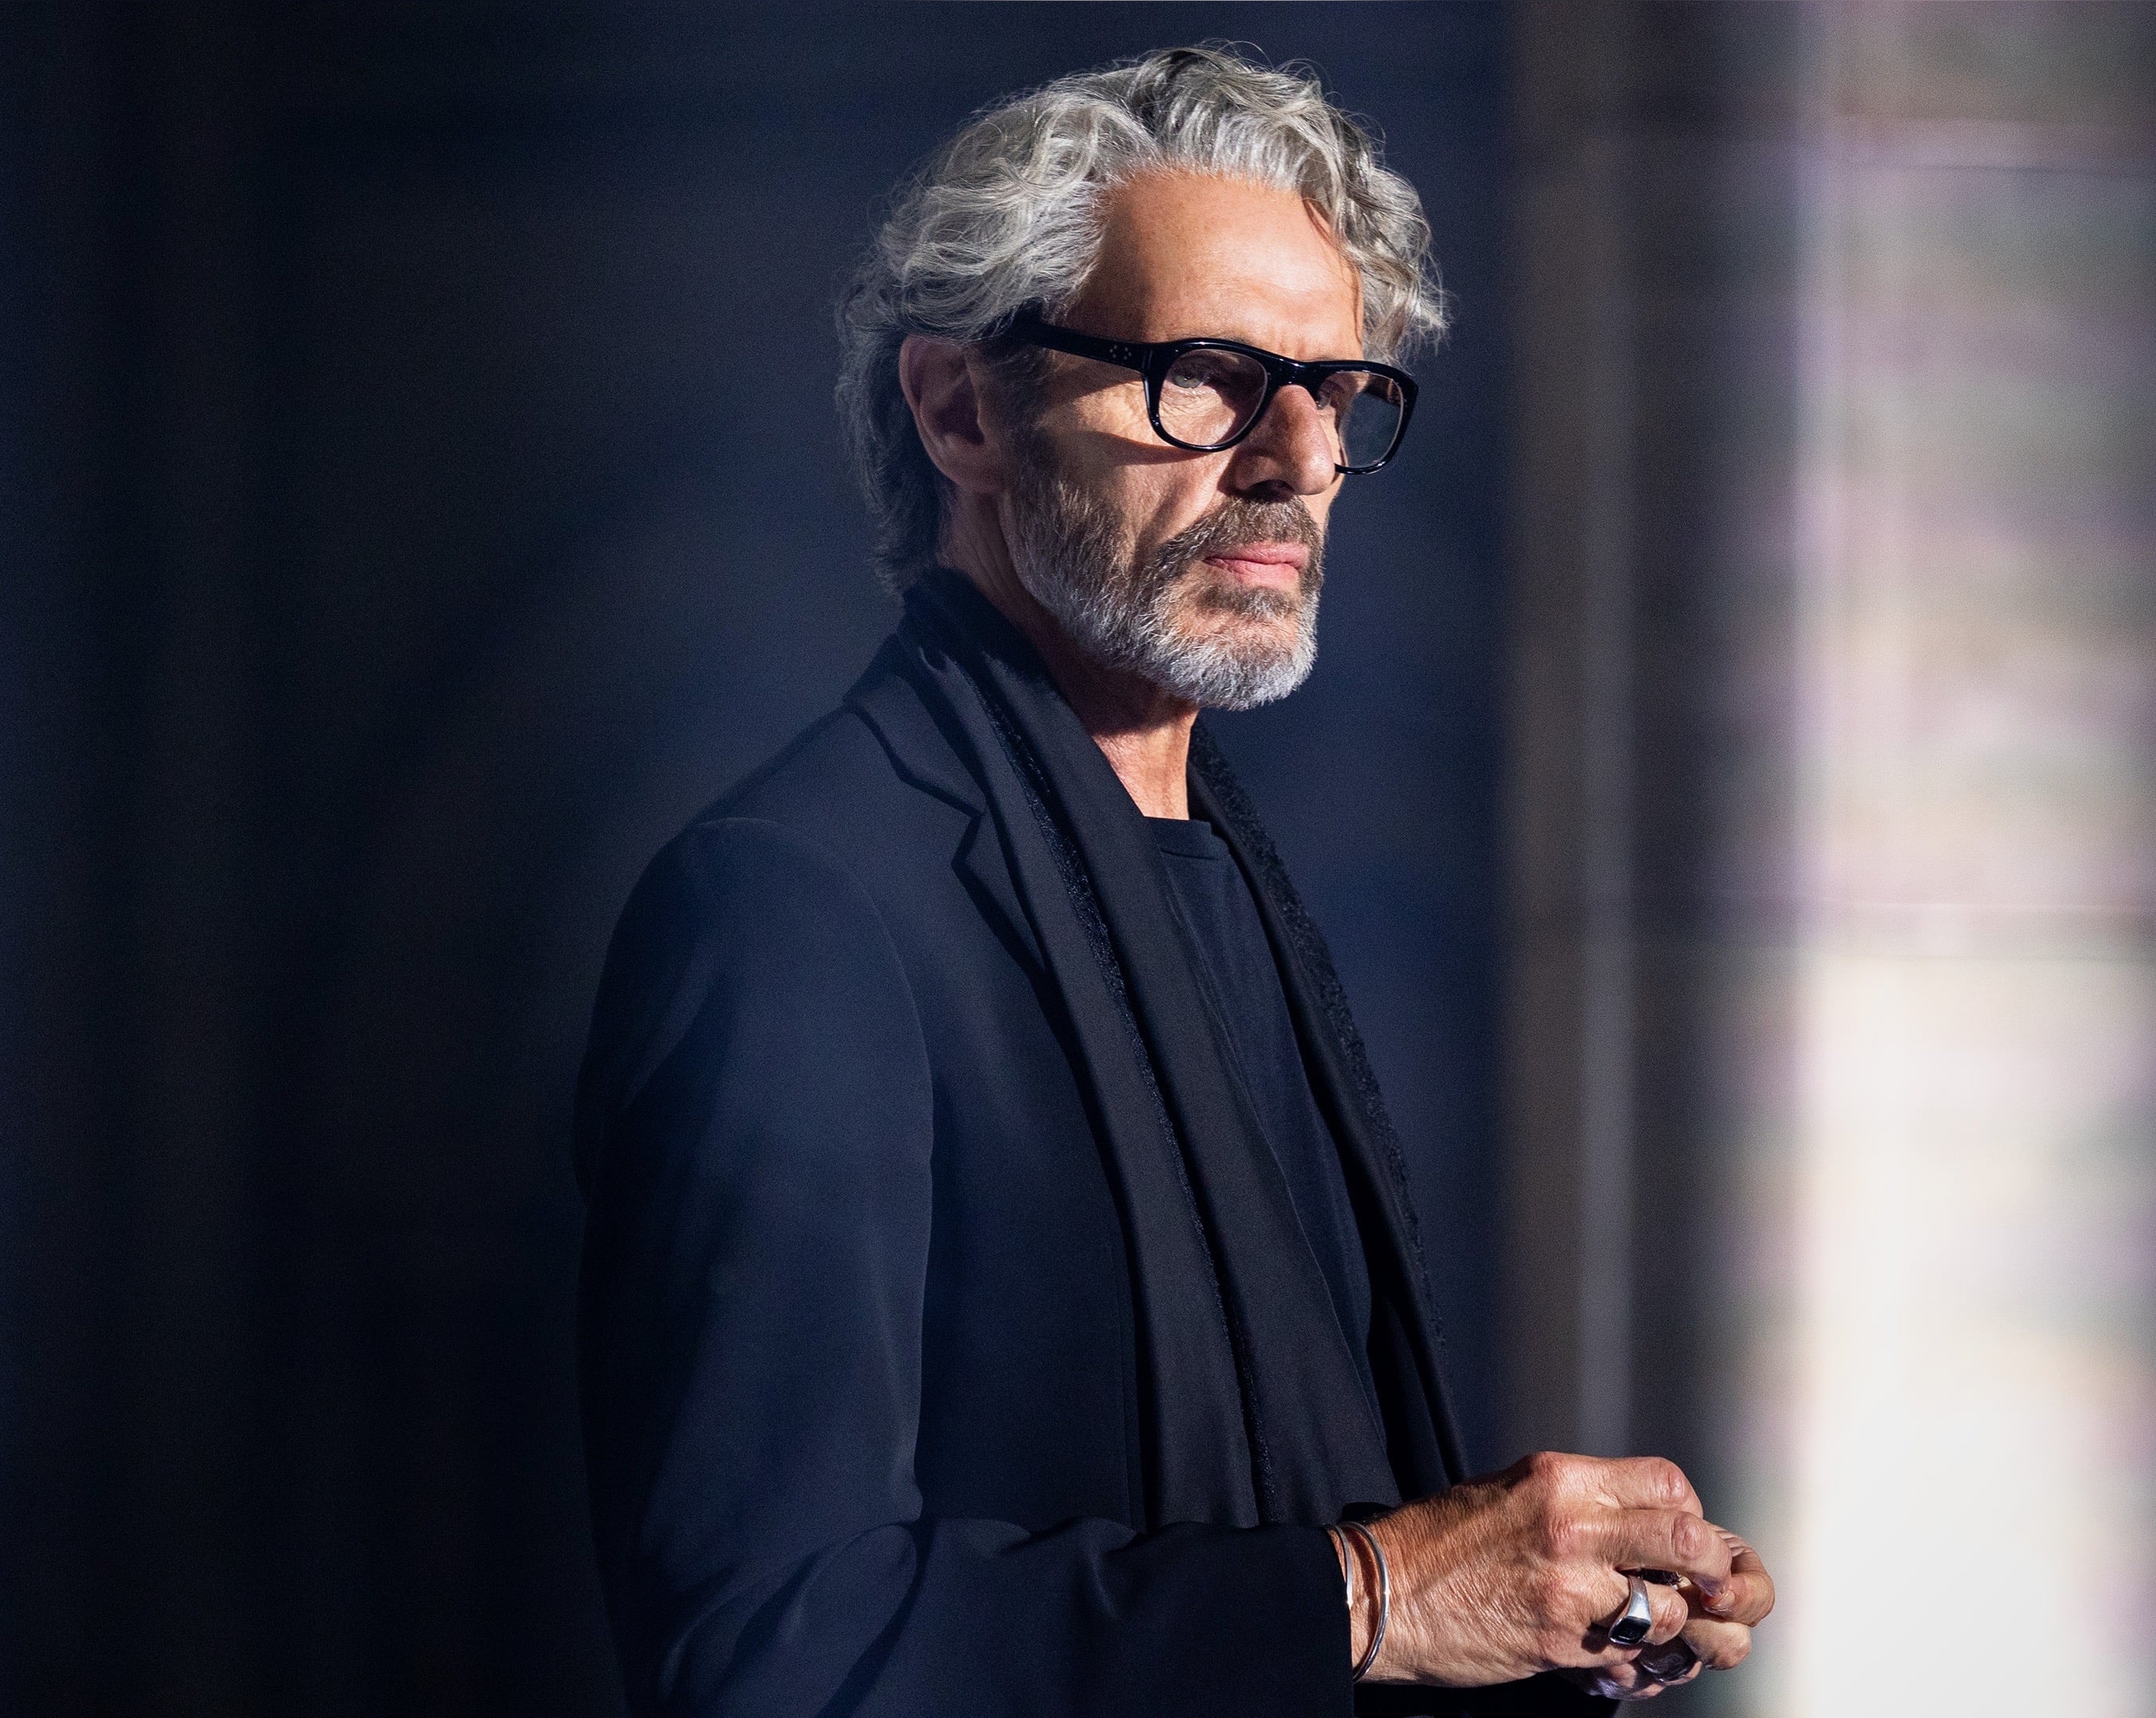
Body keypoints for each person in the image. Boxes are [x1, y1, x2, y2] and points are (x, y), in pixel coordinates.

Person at [573, 47, 1773, 1716]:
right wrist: (1377, 1594)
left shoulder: (1229, 880)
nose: (1297, 456)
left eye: (1337, 391)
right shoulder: (791, 910)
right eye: (1209, 377)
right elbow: (767, 1646)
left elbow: (1262, 1524)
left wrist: (1548, 1609)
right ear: (961, 411)